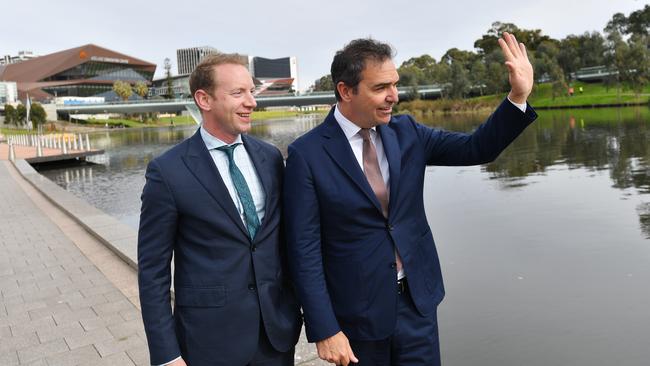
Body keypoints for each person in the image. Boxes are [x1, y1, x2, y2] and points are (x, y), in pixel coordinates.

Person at [283, 32, 536, 366]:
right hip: (357, 317)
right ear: (345, 91)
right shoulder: (307, 154)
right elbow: (304, 250)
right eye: (380, 88)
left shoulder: (408, 133)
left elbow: (479, 147)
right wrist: (325, 329)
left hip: (418, 304)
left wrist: (518, 95)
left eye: (395, 84)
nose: (394, 96)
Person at [138, 54, 301, 366]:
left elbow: (285, 242)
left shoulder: (270, 158)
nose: (251, 102)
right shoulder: (168, 171)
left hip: (275, 336)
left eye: (251, 91)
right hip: (208, 341)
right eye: (238, 93)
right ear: (204, 99)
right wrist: (166, 353)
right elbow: (153, 271)